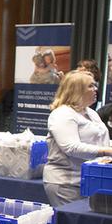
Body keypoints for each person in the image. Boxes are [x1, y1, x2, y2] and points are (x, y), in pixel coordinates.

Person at [43, 71, 112, 207]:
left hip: (88, 181)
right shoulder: (62, 114)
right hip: (66, 183)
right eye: (90, 86)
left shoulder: (90, 112)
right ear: (76, 90)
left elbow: (100, 140)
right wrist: (106, 151)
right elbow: (71, 147)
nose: (95, 89)